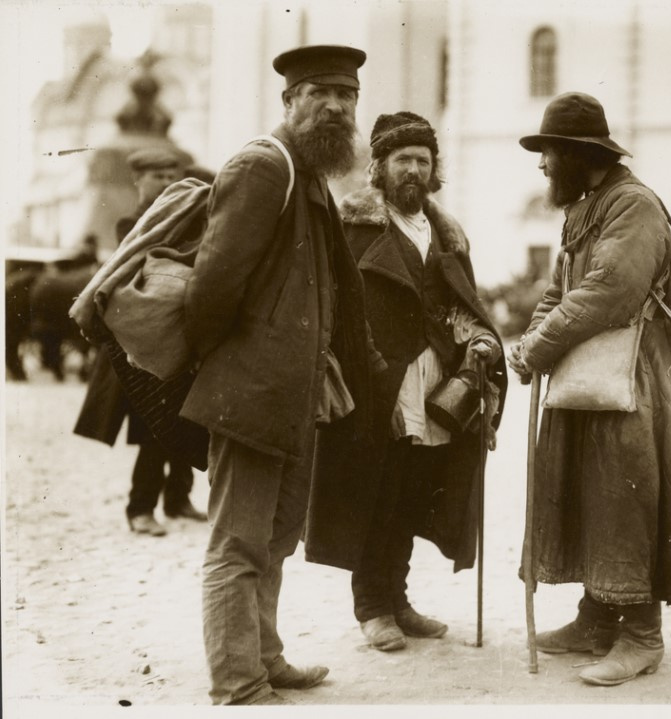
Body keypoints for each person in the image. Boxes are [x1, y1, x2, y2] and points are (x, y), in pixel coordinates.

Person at [179, 45, 384, 706]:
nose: (334, 105)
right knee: (238, 542)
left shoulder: (311, 175)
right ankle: (237, 680)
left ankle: (264, 657)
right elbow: (212, 287)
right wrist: (240, 367)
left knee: (274, 537)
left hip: (294, 396)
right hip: (254, 391)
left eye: (345, 95)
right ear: (289, 102)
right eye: (319, 93)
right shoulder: (264, 166)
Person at [507, 92, 671, 687]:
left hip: (628, 379)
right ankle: (596, 618)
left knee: (625, 495)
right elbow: (559, 288)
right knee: (587, 490)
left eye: (547, 153)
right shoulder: (586, 206)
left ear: (573, 153)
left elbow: (609, 291)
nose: (541, 166)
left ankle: (641, 634)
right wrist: (528, 341)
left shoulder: (634, 206)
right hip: (585, 375)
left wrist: (540, 347)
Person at [304, 111, 507, 652]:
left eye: (423, 160)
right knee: (377, 489)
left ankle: (398, 599)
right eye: (402, 161)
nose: (414, 170)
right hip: (377, 377)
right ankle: (372, 606)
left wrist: (480, 340)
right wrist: (370, 379)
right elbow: (340, 309)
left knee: (416, 489)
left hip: (435, 381)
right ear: (379, 167)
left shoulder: (446, 233)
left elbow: (463, 304)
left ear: (434, 169)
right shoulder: (353, 228)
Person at [74, 147, 205, 537]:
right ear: (139, 180)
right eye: (157, 177)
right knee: (154, 425)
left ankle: (178, 499)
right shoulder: (133, 222)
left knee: (186, 416)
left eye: (171, 175)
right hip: (139, 340)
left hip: (176, 334)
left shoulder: (191, 213)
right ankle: (140, 507)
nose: (166, 182)